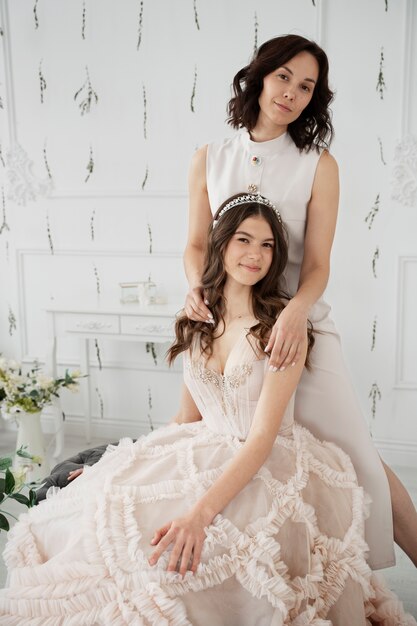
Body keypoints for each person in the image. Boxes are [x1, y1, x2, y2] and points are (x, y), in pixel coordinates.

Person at [1, 193, 415, 625]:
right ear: (220, 244)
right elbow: (185, 418)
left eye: (267, 245)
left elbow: (260, 439)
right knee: (98, 513)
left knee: (184, 564)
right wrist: (113, 465)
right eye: (243, 239)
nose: (255, 254)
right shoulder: (198, 320)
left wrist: (199, 515)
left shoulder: (281, 328)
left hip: (264, 462)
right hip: (200, 445)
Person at [183, 34, 417, 571]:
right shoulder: (209, 159)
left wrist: (294, 314)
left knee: (357, 456)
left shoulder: (319, 165)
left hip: (296, 324)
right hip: (234, 330)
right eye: (284, 77)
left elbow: (316, 267)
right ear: (259, 77)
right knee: (236, 445)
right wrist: (197, 287)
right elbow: (196, 245)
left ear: (314, 98)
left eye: (306, 86)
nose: (291, 92)